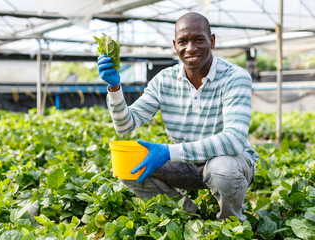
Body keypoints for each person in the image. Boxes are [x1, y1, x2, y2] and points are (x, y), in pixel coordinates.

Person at [96, 12, 259, 222]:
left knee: (223, 169)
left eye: (198, 39)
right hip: (186, 162)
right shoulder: (164, 80)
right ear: (175, 45)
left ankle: (230, 224)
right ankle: (188, 214)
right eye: (183, 41)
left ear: (212, 40)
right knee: (128, 166)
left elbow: (234, 140)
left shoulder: (235, 77)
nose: (190, 48)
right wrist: (114, 87)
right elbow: (126, 125)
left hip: (228, 162)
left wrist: (168, 151)